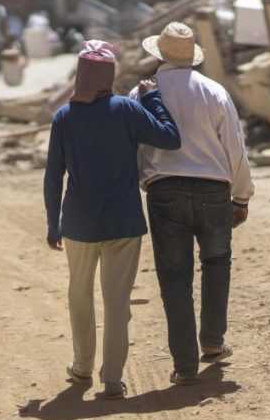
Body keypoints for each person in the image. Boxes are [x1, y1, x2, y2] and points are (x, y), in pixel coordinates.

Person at [44, 40, 181, 400]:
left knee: (79, 296)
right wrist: (152, 100)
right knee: (117, 303)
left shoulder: (64, 117)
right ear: (109, 75)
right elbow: (170, 138)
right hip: (123, 223)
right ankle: (114, 379)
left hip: (77, 224)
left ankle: (81, 366)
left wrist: (51, 223)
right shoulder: (125, 110)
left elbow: (52, 176)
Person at [130, 22, 255, 386]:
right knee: (217, 264)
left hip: (164, 192)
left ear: (159, 54)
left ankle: (185, 365)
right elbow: (235, 148)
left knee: (174, 278)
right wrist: (242, 195)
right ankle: (213, 343)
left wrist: (144, 180)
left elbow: (135, 145)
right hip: (214, 191)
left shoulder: (142, 94)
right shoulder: (213, 91)